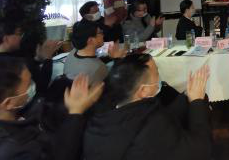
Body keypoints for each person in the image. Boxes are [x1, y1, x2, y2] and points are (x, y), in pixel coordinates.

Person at [83, 53, 212, 160]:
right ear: (143, 90)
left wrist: (186, 96)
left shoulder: (102, 114)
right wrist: (197, 102)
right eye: (157, 74)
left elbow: (168, 116)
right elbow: (201, 150)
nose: (159, 79)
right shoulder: (153, 126)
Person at [0, 57, 103, 160]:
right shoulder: (10, 151)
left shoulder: (14, 112)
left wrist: (70, 108)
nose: (33, 85)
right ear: (9, 103)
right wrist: (76, 112)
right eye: (29, 84)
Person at [0, 14, 60, 95]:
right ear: (6, 39)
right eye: (18, 34)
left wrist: (37, 59)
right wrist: (48, 58)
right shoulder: (14, 64)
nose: (20, 37)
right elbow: (41, 87)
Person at [64, 20, 126, 85]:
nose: (103, 35)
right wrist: (117, 59)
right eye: (100, 32)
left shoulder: (72, 54)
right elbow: (117, 84)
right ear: (90, 40)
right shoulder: (98, 68)